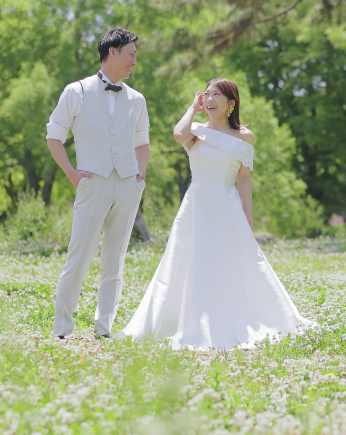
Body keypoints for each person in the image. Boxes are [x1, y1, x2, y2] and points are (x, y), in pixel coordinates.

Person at [114, 79, 308, 349]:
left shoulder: (244, 136)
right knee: (188, 258)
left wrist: (248, 215)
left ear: (231, 103)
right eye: (207, 94)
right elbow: (178, 135)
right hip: (196, 205)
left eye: (217, 94)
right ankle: (187, 320)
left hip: (227, 205)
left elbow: (244, 177)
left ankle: (238, 316)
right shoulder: (195, 131)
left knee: (234, 261)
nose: (210, 98)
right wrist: (193, 107)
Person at [46, 27, 150, 340]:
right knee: (79, 256)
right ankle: (62, 329)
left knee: (115, 259)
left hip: (127, 186)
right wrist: (73, 175)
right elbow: (54, 136)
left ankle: (103, 328)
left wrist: (140, 175)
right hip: (92, 182)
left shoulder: (137, 99)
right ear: (113, 51)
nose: (134, 62)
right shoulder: (75, 91)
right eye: (131, 54)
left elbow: (142, 142)